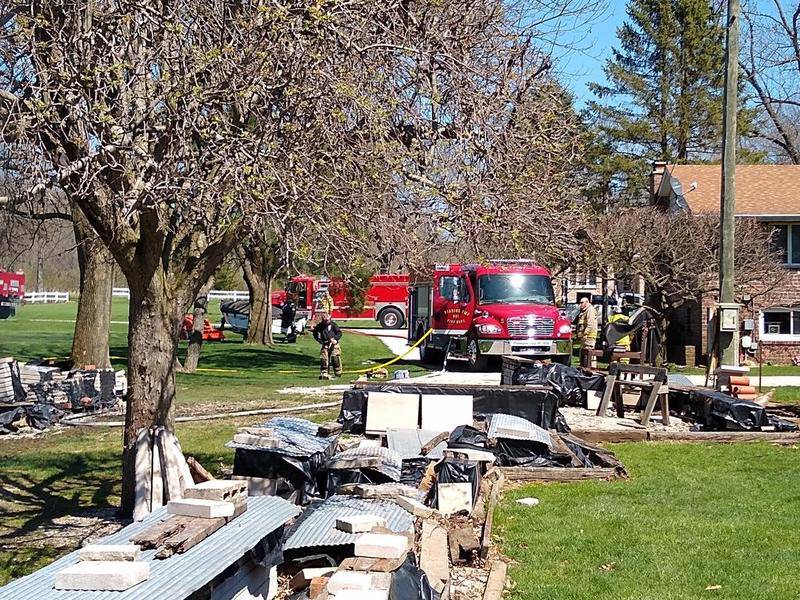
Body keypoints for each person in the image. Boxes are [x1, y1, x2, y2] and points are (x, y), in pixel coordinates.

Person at [313, 312, 342, 379]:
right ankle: (324, 372)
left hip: (333, 343)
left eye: (328, 320)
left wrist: (335, 339)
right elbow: (315, 333)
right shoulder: (320, 326)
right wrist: (319, 341)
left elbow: (339, 333)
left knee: (335, 357)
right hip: (325, 343)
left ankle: (338, 371)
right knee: (324, 358)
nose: (327, 322)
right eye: (325, 321)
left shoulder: (333, 325)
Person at [575, 296, 598, 368]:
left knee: (589, 353)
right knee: (583, 353)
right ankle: (584, 367)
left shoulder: (590, 310)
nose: (580, 304)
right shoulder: (584, 311)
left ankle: (590, 369)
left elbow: (590, 324)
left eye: (582, 302)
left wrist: (585, 333)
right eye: (580, 303)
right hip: (584, 336)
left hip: (589, 336)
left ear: (587, 302)